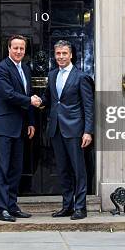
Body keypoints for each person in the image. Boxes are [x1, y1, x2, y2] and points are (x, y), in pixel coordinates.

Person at [33, 40, 94, 220]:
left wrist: (88, 131)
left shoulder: (81, 77)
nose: (60, 57)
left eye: (64, 53)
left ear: (71, 55)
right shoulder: (52, 75)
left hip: (75, 130)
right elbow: (49, 99)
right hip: (56, 130)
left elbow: (88, 107)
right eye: (58, 53)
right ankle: (67, 206)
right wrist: (39, 101)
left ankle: (80, 208)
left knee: (78, 170)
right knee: (63, 170)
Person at [0, 35, 39, 222]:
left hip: (20, 126)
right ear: (8, 49)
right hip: (3, 127)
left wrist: (31, 121)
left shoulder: (25, 68)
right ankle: (2, 209)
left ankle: (12, 205)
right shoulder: (1, 68)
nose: (18, 51)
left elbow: (27, 94)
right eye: (15, 48)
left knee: (16, 169)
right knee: (2, 169)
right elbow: (7, 94)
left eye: (22, 48)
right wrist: (30, 101)